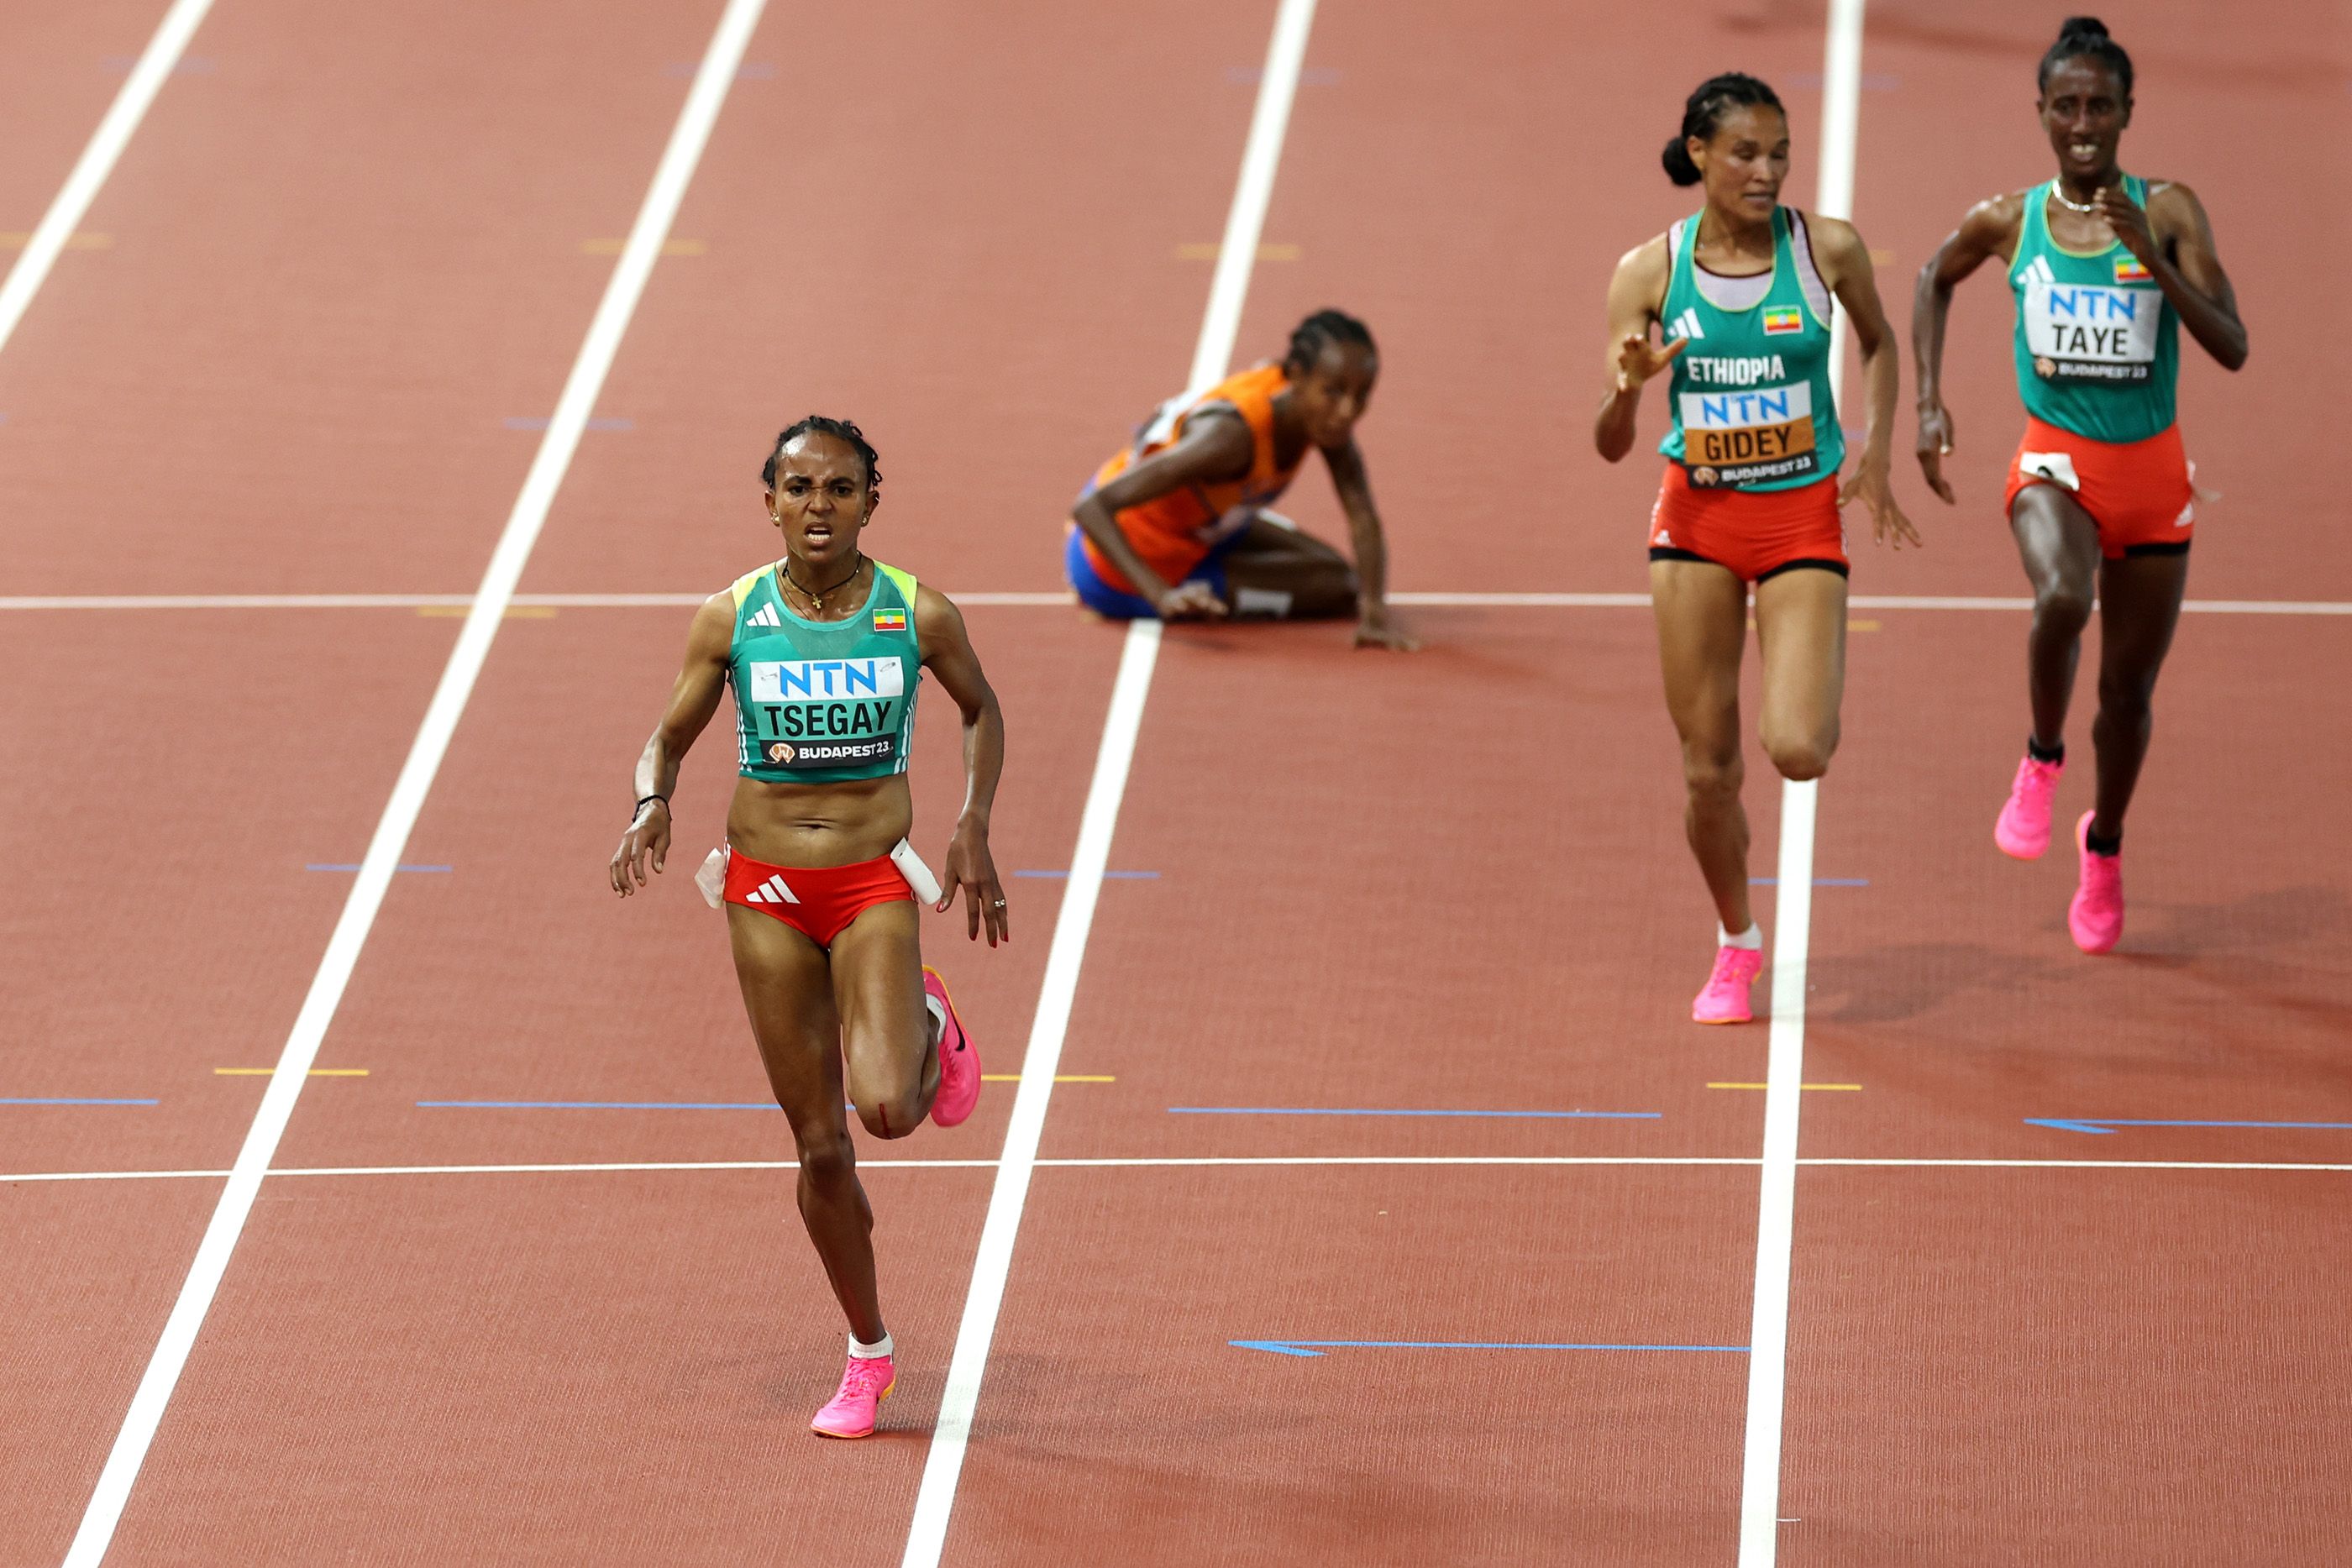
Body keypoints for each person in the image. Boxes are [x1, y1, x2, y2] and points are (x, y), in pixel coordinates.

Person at [608, 416, 1009, 1439]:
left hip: (872, 882)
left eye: (839, 489)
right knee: (822, 1149)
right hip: (766, 892)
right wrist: (651, 802)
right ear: (770, 500)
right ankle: (867, 1354)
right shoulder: (730, 616)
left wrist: (972, 820)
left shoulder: (916, 613)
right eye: (798, 488)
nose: (817, 506)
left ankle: (926, 1019)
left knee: (885, 1108)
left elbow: (978, 708)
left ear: (871, 500)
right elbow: (666, 736)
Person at [1914, 16, 2244, 953]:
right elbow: (1935, 277)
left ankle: (2102, 847)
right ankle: (2040, 758)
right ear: (2043, 115)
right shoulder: (2010, 219)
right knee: (2062, 592)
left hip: (2152, 478)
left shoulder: (2169, 209)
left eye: (2101, 104)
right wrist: (1928, 405)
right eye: (2066, 106)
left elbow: (2232, 345)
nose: (2084, 122)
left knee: (2129, 698)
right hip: (2055, 462)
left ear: (2128, 111)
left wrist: (2150, 256)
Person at [1596, 72, 1918, 1024]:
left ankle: (1813, 663)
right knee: (1708, 772)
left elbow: (1878, 341)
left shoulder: (1826, 250)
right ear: (1698, 154)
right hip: (1694, 524)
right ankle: (1736, 941)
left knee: (1798, 748)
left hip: (1798, 519)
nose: (1767, 172)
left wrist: (1876, 451)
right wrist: (1625, 387)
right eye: (1745, 153)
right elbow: (1613, 444)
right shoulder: (1647, 273)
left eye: (1779, 153)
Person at [1065, 307, 1419, 649]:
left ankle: (1221, 571)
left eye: (1362, 396)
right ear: (1296, 376)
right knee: (1334, 590)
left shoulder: (1317, 416)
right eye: (1335, 392)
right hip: (1119, 562)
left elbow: (1362, 517)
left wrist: (1374, 615)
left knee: (1342, 579)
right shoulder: (1229, 438)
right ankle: (1204, 586)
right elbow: (1092, 507)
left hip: (1207, 523)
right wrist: (1162, 596)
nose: (1348, 411)